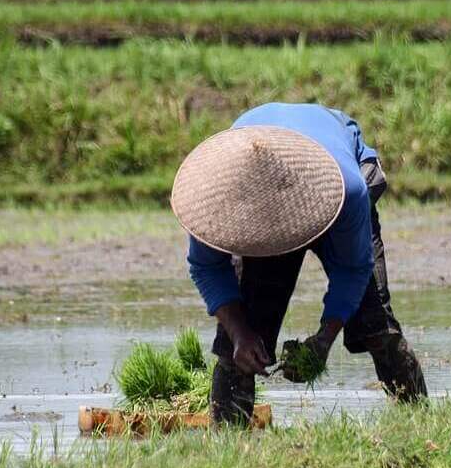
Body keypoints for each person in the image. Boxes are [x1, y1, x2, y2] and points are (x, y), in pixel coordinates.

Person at [170, 102, 428, 425]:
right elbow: (206, 266)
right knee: (239, 344)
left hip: (327, 179)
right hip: (255, 172)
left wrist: (324, 338)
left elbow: (354, 268)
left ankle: (421, 426)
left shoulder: (349, 190)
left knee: (376, 324)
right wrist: (239, 333)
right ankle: (228, 447)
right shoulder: (215, 195)